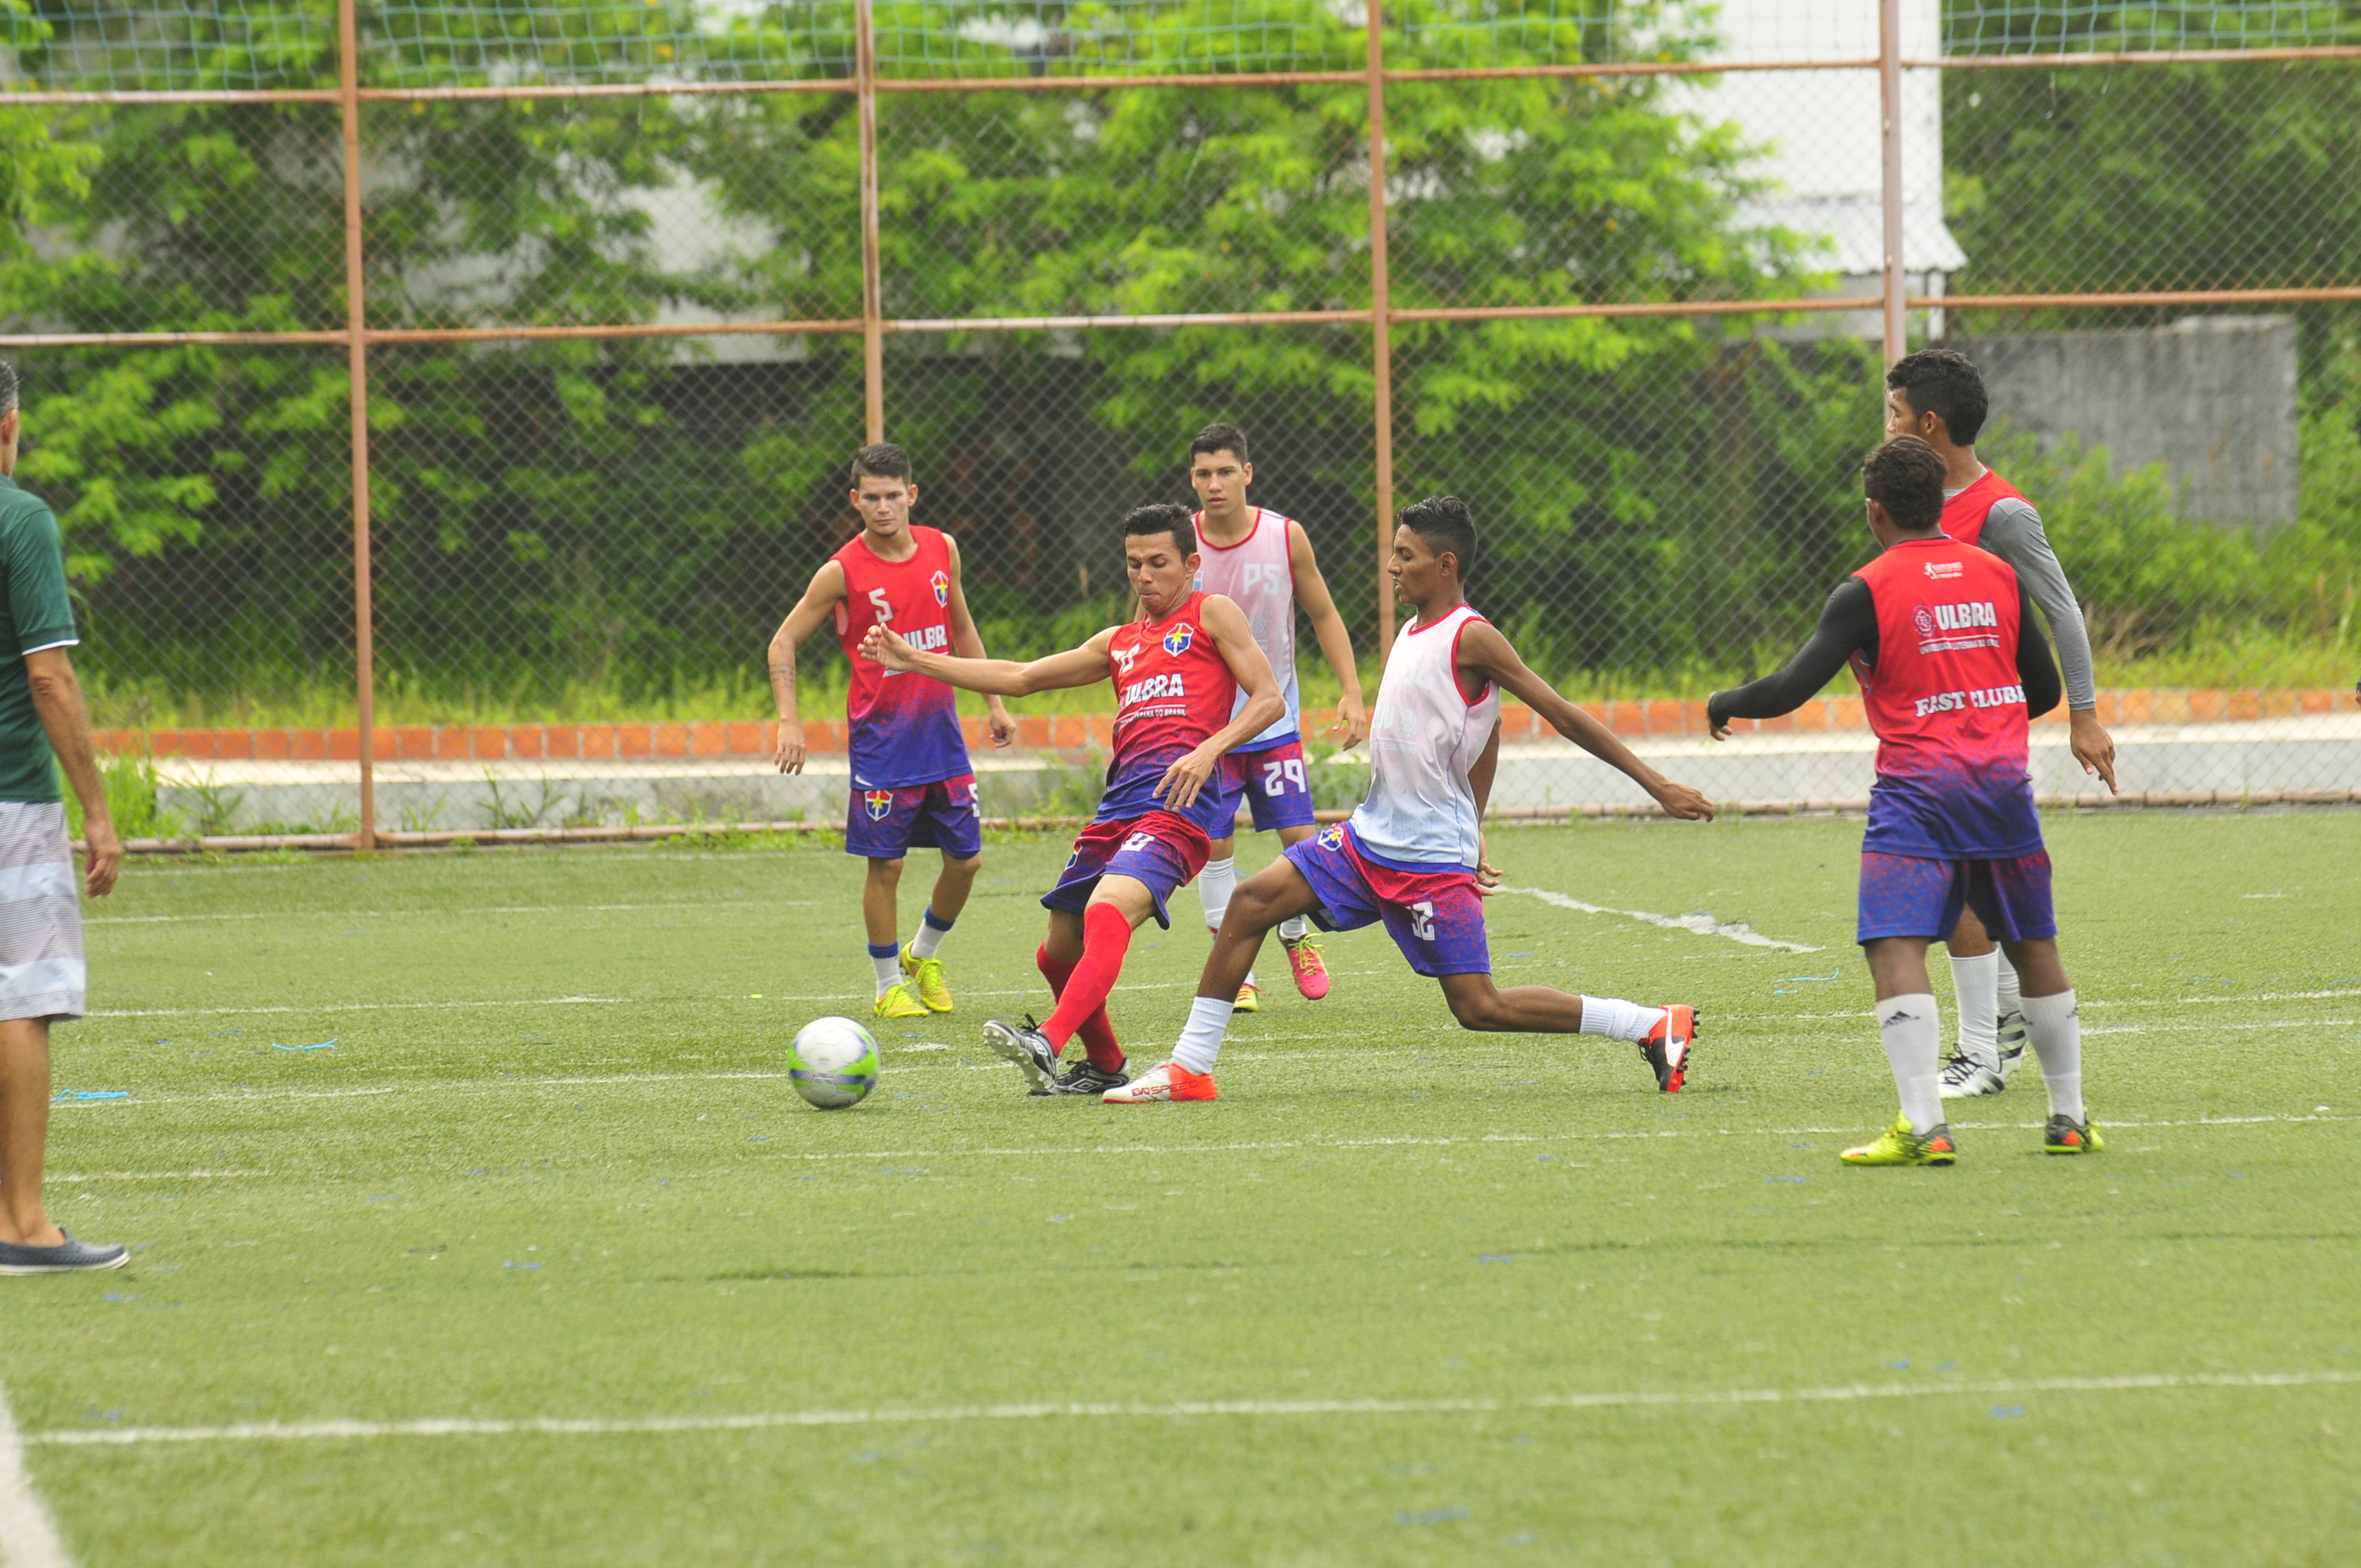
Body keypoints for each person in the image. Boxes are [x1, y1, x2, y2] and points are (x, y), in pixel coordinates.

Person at [1106, 496, 1713, 1106]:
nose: (1391, 567)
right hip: (1369, 839)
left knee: (1479, 1007)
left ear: (1445, 565)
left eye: (1406, 556)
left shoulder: (1472, 637)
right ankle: (1190, 1067)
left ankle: (1650, 1024)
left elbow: (1561, 714)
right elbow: (1489, 729)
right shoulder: (1410, 630)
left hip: (1426, 856)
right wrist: (1475, 820)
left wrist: (1656, 785)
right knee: (1252, 902)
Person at [1706, 437, 2101, 1166]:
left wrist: (1726, 701)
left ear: (1874, 510)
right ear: (1942, 504)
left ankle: (1924, 1126)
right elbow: (2042, 692)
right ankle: (2069, 1117)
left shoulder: (1866, 589)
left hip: (1921, 792)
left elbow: (1791, 688)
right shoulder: (1997, 575)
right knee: (2034, 943)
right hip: (2002, 785)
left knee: (1894, 944)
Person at [862, 503, 1283, 1096]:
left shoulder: (1212, 614)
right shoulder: (1119, 642)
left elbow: (1269, 699)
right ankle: (1106, 1063)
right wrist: (912, 659)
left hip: (1176, 806)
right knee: (1057, 953)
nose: (1145, 576)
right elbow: (1021, 677)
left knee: (1106, 910)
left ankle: (1048, 1042)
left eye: (1159, 563)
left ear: (1191, 564)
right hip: (1116, 811)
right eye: (1135, 564)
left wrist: (1210, 749)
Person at [1884, 349, 2119, 1099]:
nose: (1884, 428)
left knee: (1954, 889)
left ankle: (1982, 1054)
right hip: (1933, 732)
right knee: (1968, 894)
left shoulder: (2002, 514)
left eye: (1893, 414)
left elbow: (2063, 612)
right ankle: (2004, 1025)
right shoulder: (1914, 506)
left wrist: (2084, 717)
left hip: (1980, 737)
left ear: (1928, 423)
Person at [769, 443, 1017, 1021]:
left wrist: (994, 702)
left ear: (912, 495)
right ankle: (886, 986)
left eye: (893, 496)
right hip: (882, 744)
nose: (883, 507)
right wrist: (789, 720)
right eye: (871, 498)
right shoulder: (841, 571)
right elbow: (782, 641)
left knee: (967, 861)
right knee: (888, 867)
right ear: (855, 501)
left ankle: (921, 955)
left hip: (943, 738)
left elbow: (961, 627)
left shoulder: (941, 548)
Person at [0, 360, 127, 1274]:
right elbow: (49, 675)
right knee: (23, 1000)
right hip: (10, 797)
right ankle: (26, 1224)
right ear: (7, 425)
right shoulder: (21, 519)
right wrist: (97, 811)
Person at [1185, 423, 1368, 1011]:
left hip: (1274, 722)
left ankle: (1295, 934)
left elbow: (1323, 612)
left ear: (1247, 474)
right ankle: (1232, 967)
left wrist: (1351, 690)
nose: (1214, 484)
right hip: (1209, 730)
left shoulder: (1284, 536)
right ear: (1193, 480)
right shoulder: (1180, 541)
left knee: (1300, 837)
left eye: (1224, 472)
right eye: (1203, 474)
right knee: (1215, 847)